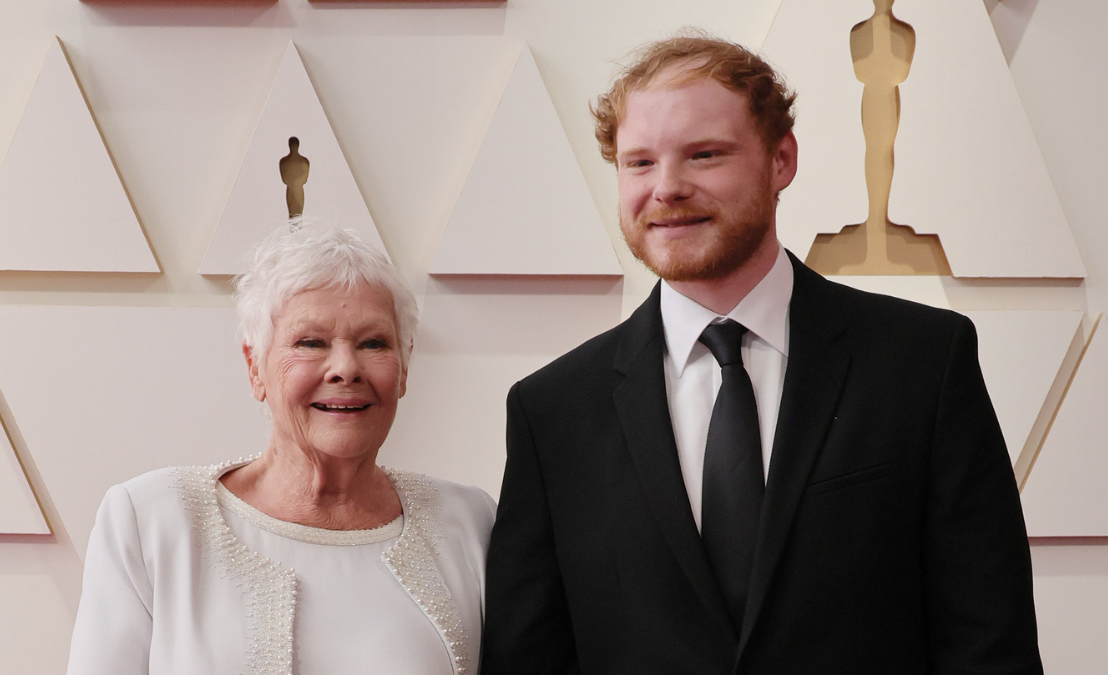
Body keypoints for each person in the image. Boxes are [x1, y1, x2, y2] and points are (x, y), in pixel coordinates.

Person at [480, 33, 1042, 674]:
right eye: (639, 163)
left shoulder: (923, 363)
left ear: (781, 160)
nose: (667, 188)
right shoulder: (551, 411)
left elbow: (991, 645)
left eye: (704, 154)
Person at [67, 221, 495, 675]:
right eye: (310, 342)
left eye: (374, 343)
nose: (345, 369)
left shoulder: (469, 523)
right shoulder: (151, 520)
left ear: (404, 367)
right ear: (256, 368)